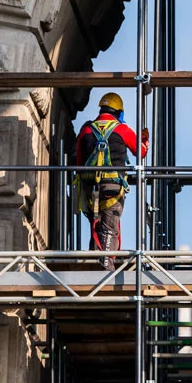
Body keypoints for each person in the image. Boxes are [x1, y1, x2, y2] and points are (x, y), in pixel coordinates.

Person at [74, 91, 150, 268]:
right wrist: (144, 140)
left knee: (96, 225)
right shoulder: (122, 129)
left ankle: (94, 265)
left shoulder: (86, 129)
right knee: (109, 228)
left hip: (88, 187)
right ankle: (106, 272)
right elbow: (141, 152)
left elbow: (78, 160)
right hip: (112, 187)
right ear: (119, 112)